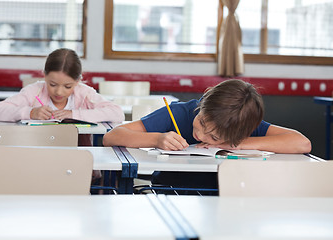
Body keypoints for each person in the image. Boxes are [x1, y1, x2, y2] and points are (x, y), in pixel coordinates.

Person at [103, 79, 312, 193]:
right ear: (203, 102)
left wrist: (239, 143)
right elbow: (112, 136)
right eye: (202, 122)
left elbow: (302, 143)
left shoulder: (240, 124)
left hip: (227, 195)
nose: (200, 134)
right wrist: (157, 139)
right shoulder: (180, 113)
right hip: (171, 192)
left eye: (214, 137)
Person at [0, 48, 125, 124]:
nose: (59, 92)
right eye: (52, 84)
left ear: (78, 81)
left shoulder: (84, 94)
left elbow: (117, 114)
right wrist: (30, 113)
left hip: (75, 156)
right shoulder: (34, 91)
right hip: (36, 154)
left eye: (67, 86)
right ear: (44, 75)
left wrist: (74, 114)